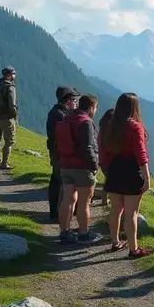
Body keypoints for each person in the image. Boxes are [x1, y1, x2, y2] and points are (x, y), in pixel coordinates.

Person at [102, 93, 153, 258]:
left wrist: (107, 170)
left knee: (116, 209)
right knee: (131, 213)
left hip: (115, 170)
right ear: (134, 107)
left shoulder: (110, 125)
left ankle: (116, 242)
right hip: (132, 171)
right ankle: (133, 249)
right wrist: (147, 176)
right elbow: (141, 153)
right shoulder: (135, 127)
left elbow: (104, 151)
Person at [55, 94, 102, 244]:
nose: (95, 110)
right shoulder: (86, 122)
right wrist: (94, 166)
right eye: (95, 108)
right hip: (82, 167)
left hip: (65, 165)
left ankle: (64, 232)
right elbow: (88, 147)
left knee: (67, 199)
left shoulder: (66, 119)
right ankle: (83, 234)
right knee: (84, 201)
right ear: (90, 108)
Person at [46, 86, 80, 222]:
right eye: (74, 100)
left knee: (56, 181)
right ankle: (61, 214)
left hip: (56, 153)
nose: (76, 103)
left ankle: (55, 212)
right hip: (61, 154)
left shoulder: (55, 112)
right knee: (64, 183)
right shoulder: (61, 115)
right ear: (68, 100)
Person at [0, 66, 18, 170]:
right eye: (14, 74)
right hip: (7, 118)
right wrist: (15, 115)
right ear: (9, 75)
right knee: (9, 141)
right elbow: (12, 105)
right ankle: (4, 164)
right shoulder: (10, 87)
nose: (15, 76)